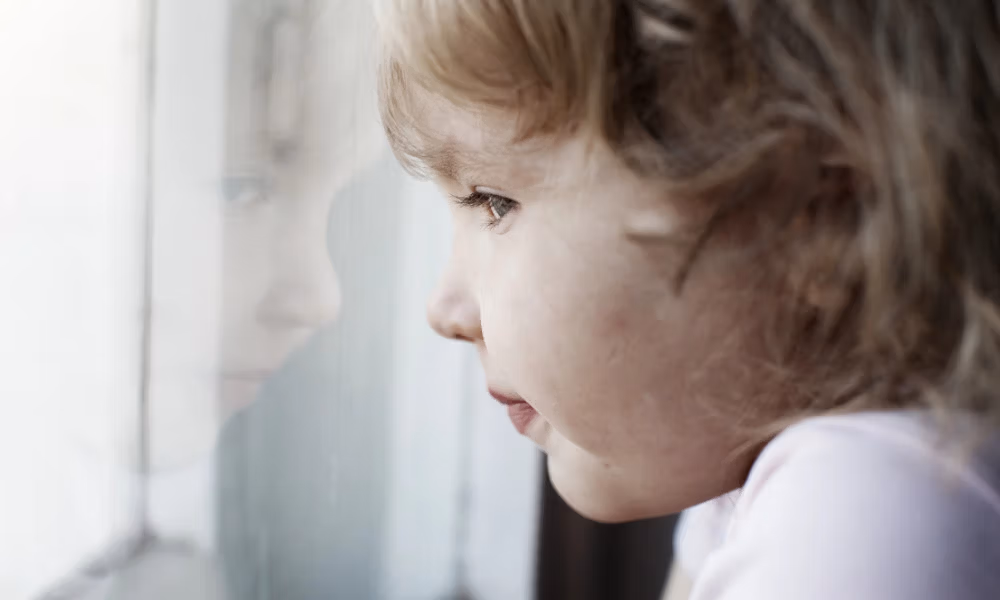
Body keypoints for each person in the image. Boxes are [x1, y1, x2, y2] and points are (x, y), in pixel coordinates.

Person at [375, 1, 1000, 598]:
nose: (444, 310)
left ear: (814, 219)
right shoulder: (758, 460)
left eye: (494, 202)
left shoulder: (860, 523)